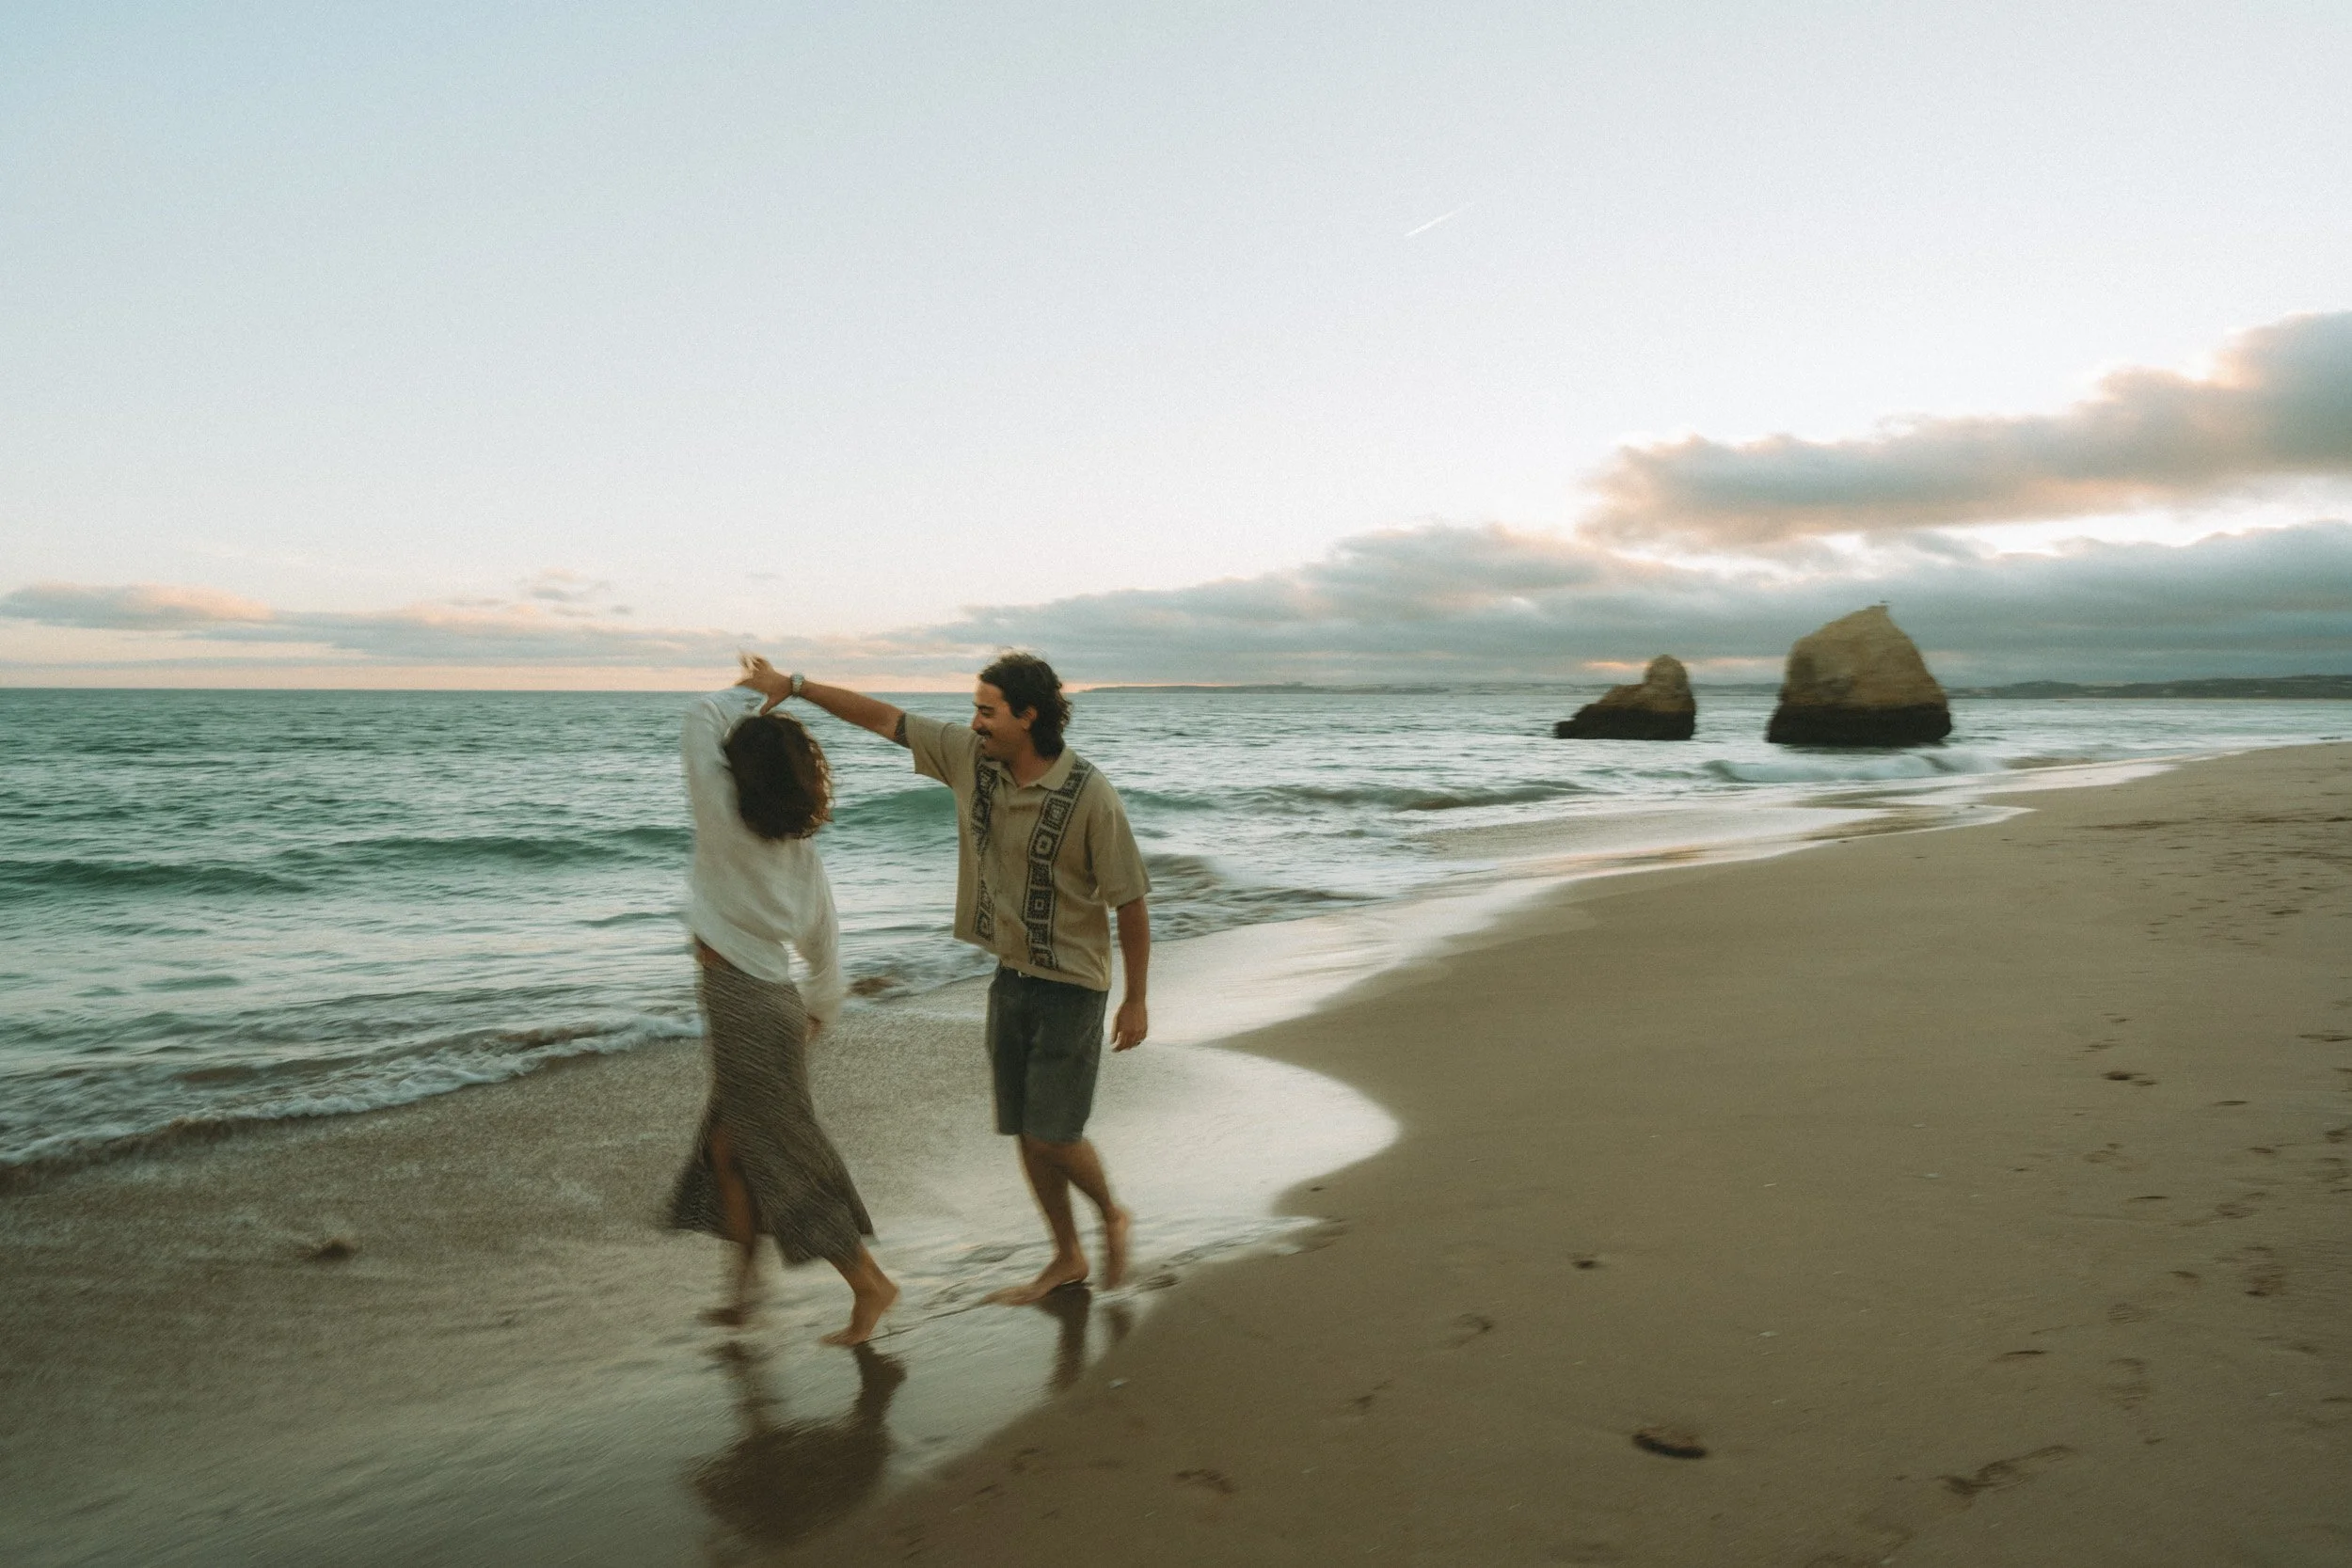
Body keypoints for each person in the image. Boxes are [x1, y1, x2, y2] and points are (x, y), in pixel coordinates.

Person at [739, 651, 1151, 1305]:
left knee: (1054, 1132)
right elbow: (885, 719)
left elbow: (1129, 898)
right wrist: (795, 686)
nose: (975, 721)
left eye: (987, 711)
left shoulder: (1090, 794)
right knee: (1024, 1128)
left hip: (1075, 982)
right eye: (975, 709)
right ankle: (1067, 1256)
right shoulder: (969, 759)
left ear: (1028, 715)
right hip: (1011, 977)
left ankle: (1112, 1213)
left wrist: (1136, 999)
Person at [665, 682, 898, 1344]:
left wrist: (751, 690)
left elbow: (698, 716)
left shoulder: (721, 813)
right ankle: (743, 1290)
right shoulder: (798, 844)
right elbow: (824, 936)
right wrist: (821, 1007)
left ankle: (869, 1282)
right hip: (775, 1003)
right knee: (728, 1150)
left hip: (742, 1001)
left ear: (739, 773)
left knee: (782, 1153)